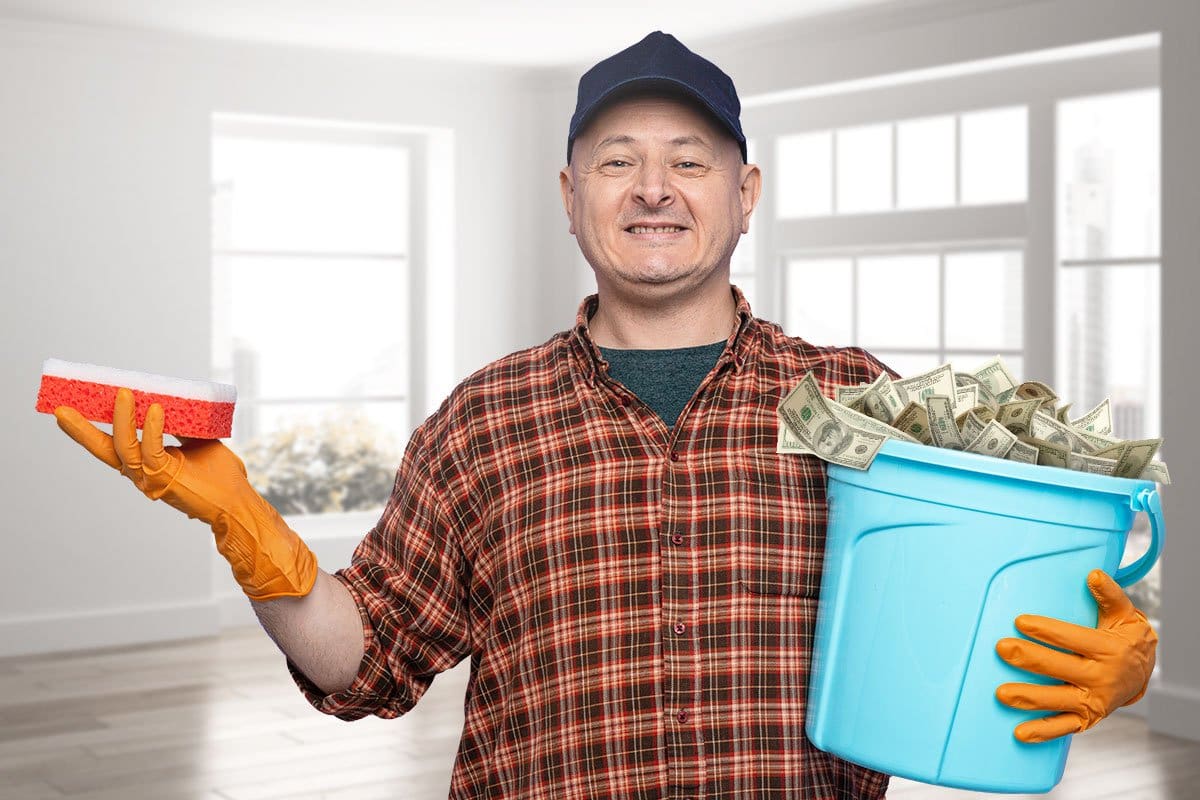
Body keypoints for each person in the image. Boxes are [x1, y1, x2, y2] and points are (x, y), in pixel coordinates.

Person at [53, 30, 1156, 800]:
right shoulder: (484, 419)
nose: (654, 189)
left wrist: (1112, 639)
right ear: (571, 194)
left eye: (689, 160)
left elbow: (980, 591)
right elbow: (367, 660)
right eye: (617, 161)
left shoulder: (860, 404)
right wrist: (250, 529)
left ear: (746, 191)